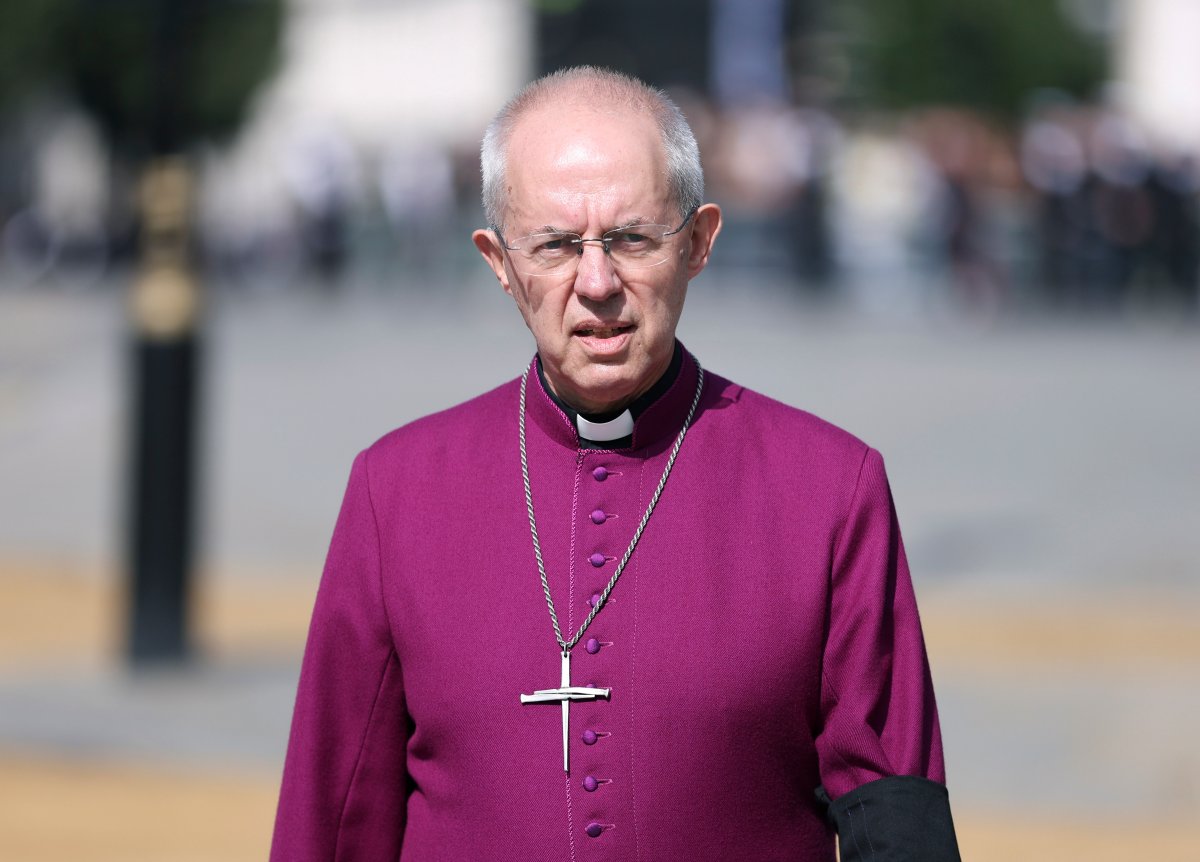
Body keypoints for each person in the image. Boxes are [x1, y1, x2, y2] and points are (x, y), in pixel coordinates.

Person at [271, 66, 960, 861]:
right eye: (557, 246)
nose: (597, 284)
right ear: (498, 261)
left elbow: (896, 819)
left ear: (698, 243)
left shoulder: (830, 489)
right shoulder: (395, 491)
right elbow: (334, 811)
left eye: (632, 239)